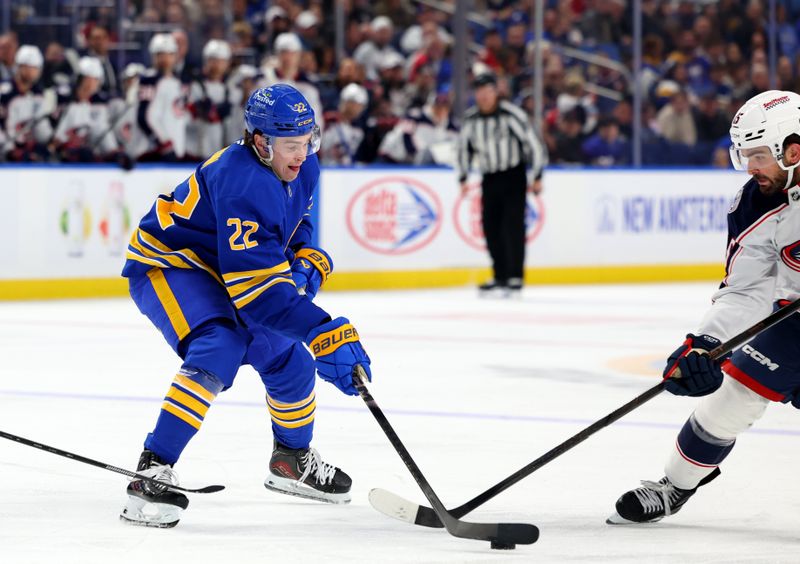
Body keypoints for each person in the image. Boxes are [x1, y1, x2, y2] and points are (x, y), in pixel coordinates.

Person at [119, 84, 372, 528]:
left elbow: (295, 221)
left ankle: (291, 460)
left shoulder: (303, 166)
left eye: (307, 140)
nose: (302, 154)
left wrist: (305, 258)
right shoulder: (242, 182)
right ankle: (151, 470)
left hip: (226, 269)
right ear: (260, 141)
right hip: (171, 264)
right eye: (291, 145)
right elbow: (257, 295)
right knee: (220, 344)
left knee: (289, 361)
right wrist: (320, 328)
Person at [607, 90, 800, 525]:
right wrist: (705, 344)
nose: (749, 167)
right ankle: (675, 486)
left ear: (793, 149)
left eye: (757, 156)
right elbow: (746, 290)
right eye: (743, 155)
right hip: (794, 321)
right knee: (730, 401)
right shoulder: (753, 202)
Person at [456, 72, 547, 296]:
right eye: (479, 92)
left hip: (513, 175)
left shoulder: (511, 115)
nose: (484, 96)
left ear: (496, 92)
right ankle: (500, 275)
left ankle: (515, 275)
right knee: (490, 226)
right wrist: (463, 177)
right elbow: (463, 149)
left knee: (512, 225)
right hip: (489, 177)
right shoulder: (471, 119)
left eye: (488, 91)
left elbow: (533, 144)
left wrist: (537, 175)